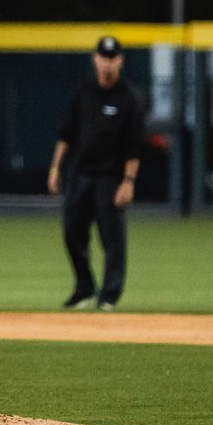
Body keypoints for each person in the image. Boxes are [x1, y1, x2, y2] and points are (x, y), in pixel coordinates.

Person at [47, 36, 146, 312]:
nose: (107, 63)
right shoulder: (82, 92)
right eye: (103, 57)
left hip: (110, 177)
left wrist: (128, 181)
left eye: (113, 58)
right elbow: (66, 134)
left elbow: (134, 146)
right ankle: (85, 288)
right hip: (80, 174)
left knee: (112, 239)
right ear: (95, 59)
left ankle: (109, 296)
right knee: (72, 232)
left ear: (120, 61)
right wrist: (55, 168)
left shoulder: (130, 98)